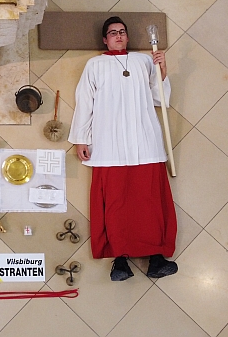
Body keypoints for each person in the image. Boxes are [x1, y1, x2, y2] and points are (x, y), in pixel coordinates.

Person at [69, 16, 178, 281]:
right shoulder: (95, 65)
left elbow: (159, 98)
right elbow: (84, 101)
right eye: (112, 33)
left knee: (149, 201)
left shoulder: (143, 61)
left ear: (127, 37)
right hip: (110, 143)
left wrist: (162, 72)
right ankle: (120, 260)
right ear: (105, 39)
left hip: (144, 139)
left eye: (122, 32)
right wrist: (81, 138)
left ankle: (156, 258)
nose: (118, 35)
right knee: (115, 203)